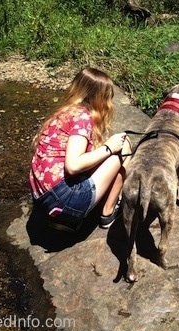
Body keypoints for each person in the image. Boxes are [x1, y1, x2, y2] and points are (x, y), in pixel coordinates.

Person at [29, 67, 131, 231]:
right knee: (123, 144)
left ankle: (64, 216)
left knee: (103, 153)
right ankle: (108, 213)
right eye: (107, 97)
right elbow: (73, 165)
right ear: (99, 98)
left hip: (42, 198)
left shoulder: (64, 113)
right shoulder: (82, 117)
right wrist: (109, 147)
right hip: (65, 200)